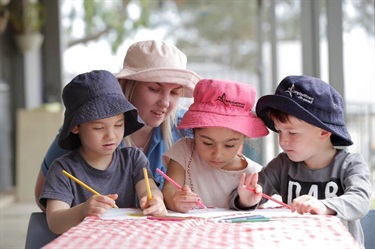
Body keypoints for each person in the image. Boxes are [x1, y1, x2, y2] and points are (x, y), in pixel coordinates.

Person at [35, 40, 201, 211]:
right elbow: (43, 197)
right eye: (154, 89)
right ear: (127, 85)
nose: (165, 102)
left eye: (174, 92)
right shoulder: (84, 128)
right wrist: (82, 212)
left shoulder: (187, 128)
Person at [229, 75, 371, 247]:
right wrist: (246, 200)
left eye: (292, 132)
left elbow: (361, 200)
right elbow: (243, 197)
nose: (282, 141)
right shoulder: (282, 164)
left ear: (324, 132)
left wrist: (324, 206)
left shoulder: (350, 164)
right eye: (279, 131)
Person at [39, 70, 168, 235]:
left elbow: (148, 189)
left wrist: (155, 200)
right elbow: (55, 221)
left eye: (118, 125)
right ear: (75, 126)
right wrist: (83, 211)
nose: (111, 135)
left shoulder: (134, 158)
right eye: (98, 127)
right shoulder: (63, 169)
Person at [161, 78, 269, 213]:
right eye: (207, 143)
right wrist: (175, 201)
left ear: (243, 138)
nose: (217, 154)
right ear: (193, 132)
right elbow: (169, 190)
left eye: (229, 145)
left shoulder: (254, 175)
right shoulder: (184, 151)